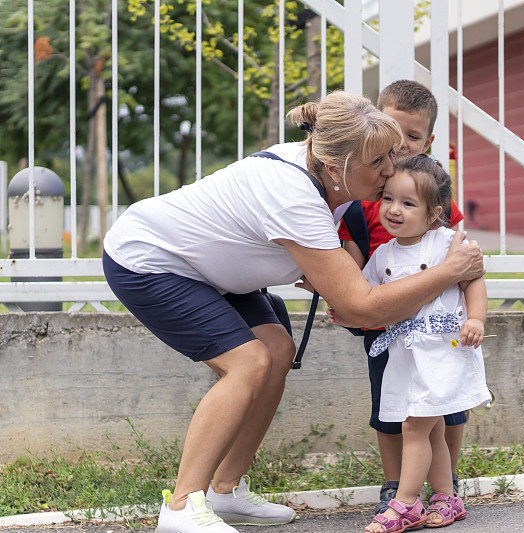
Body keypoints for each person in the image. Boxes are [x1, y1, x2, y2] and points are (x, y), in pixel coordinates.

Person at [101, 91, 485, 533]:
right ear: (338, 165)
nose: (390, 169)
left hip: (213, 271)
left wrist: (341, 270)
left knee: (278, 349)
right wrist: (449, 271)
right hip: (150, 260)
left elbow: (346, 277)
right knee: (249, 360)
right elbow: (358, 304)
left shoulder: (326, 172)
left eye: (392, 156)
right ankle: (182, 507)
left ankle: (225, 491)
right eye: (379, 160)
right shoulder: (293, 194)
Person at [331, 155, 491, 532]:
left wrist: (476, 318)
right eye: (388, 199)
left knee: (414, 427)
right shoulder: (383, 254)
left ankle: (405, 504)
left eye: (408, 203)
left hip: (444, 352)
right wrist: (347, 312)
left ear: (435, 211)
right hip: (405, 355)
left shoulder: (448, 242)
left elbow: (473, 281)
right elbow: (366, 295)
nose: (394, 210)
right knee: (430, 428)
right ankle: (446, 496)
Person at [338, 80, 469, 516]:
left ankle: (447, 484)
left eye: (412, 136)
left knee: (446, 409)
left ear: (428, 141)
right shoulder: (364, 196)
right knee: (390, 407)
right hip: (386, 325)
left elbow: (462, 258)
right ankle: (395, 483)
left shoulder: (435, 198)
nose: (400, 143)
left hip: (437, 328)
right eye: (391, 130)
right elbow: (351, 262)